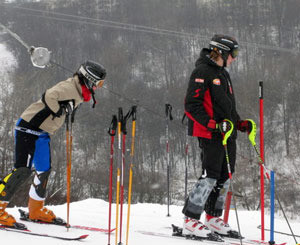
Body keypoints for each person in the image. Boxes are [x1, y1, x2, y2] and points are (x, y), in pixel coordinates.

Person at [0, 60, 106, 228]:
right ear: (88, 79)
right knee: (22, 170)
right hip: (28, 127)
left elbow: (65, 105)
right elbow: (49, 95)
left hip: (42, 133)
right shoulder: (70, 87)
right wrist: (60, 110)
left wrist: (67, 110)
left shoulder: (80, 91)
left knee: (43, 170)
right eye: (98, 83)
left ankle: (36, 210)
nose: (99, 87)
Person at [182, 34, 253, 239]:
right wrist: (213, 124)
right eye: (234, 53)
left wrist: (239, 123)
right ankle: (190, 219)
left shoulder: (223, 74)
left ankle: (213, 217)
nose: (235, 58)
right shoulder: (202, 71)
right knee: (210, 174)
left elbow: (227, 106)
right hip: (209, 132)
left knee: (225, 175)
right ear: (221, 51)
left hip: (226, 132)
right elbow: (191, 106)